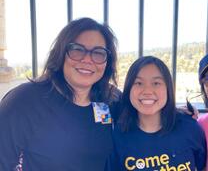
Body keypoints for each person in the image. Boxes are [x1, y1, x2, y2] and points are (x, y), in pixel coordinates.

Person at [0, 17, 122, 171]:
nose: (87, 59)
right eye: (77, 49)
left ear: (107, 61)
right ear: (61, 53)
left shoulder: (111, 99)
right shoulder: (24, 101)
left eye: (98, 53)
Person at [110, 56, 207, 171]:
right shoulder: (118, 135)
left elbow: (204, 166)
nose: (147, 91)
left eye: (156, 83)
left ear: (168, 88)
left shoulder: (190, 128)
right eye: (139, 83)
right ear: (128, 89)